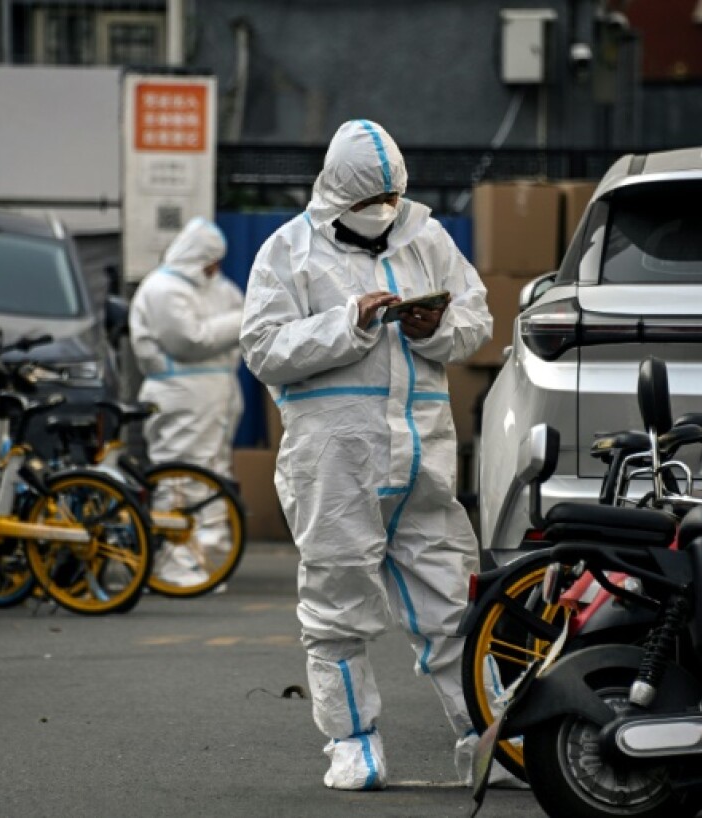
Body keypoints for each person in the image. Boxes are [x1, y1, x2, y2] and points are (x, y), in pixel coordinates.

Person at [240, 119, 493, 790]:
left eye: (389, 199)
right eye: (368, 202)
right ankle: (352, 742)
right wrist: (348, 323)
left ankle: (490, 741)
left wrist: (436, 326)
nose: (382, 212)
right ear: (336, 194)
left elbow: (476, 318)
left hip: (421, 456)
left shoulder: (426, 237)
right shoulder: (287, 251)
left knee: (452, 604)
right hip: (334, 461)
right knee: (336, 606)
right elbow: (263, 348)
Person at [129, 216, 244, 587]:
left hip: (216, 393)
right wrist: (241, 321)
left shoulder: (216, 288)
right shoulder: (164, 288)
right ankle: (173, 566)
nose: (215, 269)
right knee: (181, 476)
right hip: (181, 394)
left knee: (212, 476)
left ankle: (205, 562)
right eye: (210, 261)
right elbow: (189, 341)